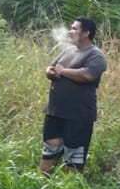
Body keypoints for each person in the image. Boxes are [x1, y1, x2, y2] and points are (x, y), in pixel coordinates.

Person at [40, 17, 107, 174]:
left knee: (74, 160)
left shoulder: (96, 55)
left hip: (78, 117)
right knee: (49, 153)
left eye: (74, 29)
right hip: (55, 113)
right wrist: (50, 72)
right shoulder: (68, 50)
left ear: (85, 33)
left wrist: (62, 71)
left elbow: (87, 75)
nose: (70, 31)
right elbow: (51, 67)